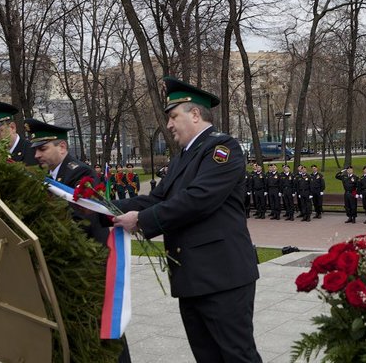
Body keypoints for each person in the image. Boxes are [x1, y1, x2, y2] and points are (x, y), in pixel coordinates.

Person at [112, 77, 261, 363]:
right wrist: (103, 208)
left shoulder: (223, 148)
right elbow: (157, 199)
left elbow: (199, 199)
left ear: (194, 114)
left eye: (173, 116)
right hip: (192, 277)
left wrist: (141, 220)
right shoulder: (183, 157)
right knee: (207, 356)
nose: (168, 125)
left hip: (222, 277)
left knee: (236, 355)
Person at [25, 118, 131, 363]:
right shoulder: (48, 175)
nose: (37, 155)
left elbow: (82, 219)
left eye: (43, 148)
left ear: (62, 147)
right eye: (36, 150)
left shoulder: (80, 173)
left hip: (90, 263)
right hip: (69, 263)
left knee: (105, 328)